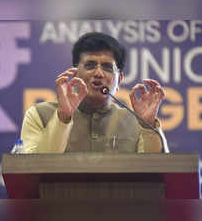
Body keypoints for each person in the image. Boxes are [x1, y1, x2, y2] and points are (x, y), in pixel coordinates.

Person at [21, 32, 168, 154]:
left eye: (107, 67)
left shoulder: (137, 122)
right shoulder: (38, 115)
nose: (98, 73)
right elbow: (33, 170)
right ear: (75, 73)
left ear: (120, 80)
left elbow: (157, 172)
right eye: (90, 65)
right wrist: (63, 117)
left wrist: (147, 125)